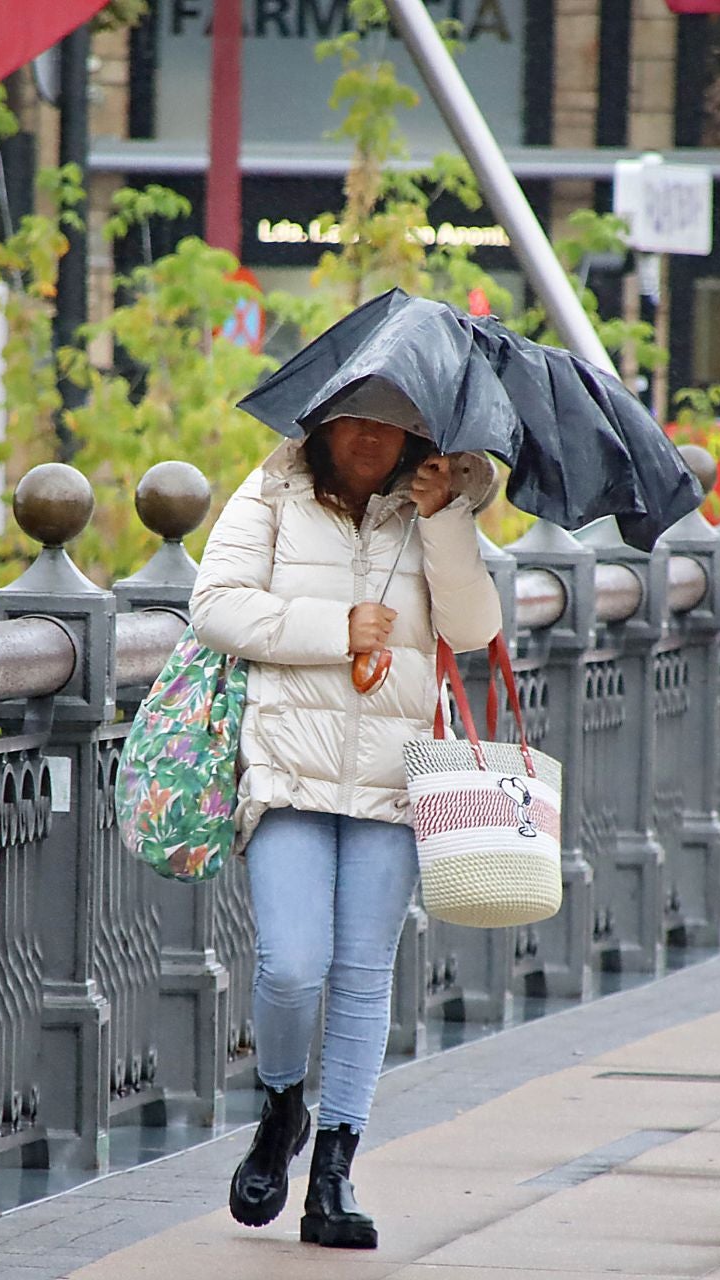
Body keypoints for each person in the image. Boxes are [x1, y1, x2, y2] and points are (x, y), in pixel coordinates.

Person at [189, 407, 503, 1249]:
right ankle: (283, 1102)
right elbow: (213, 606)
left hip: (396, 777)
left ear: (418, 438)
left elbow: (473, 631)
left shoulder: (437, 506)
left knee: (364, 973)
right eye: (354, 420)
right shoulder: (275, 492)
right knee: (292, 966)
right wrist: (336, 630)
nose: (371, 438)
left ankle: (334, 1171)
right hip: (290, 767)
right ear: (323, 424)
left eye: (392, 425)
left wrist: (445, 520)